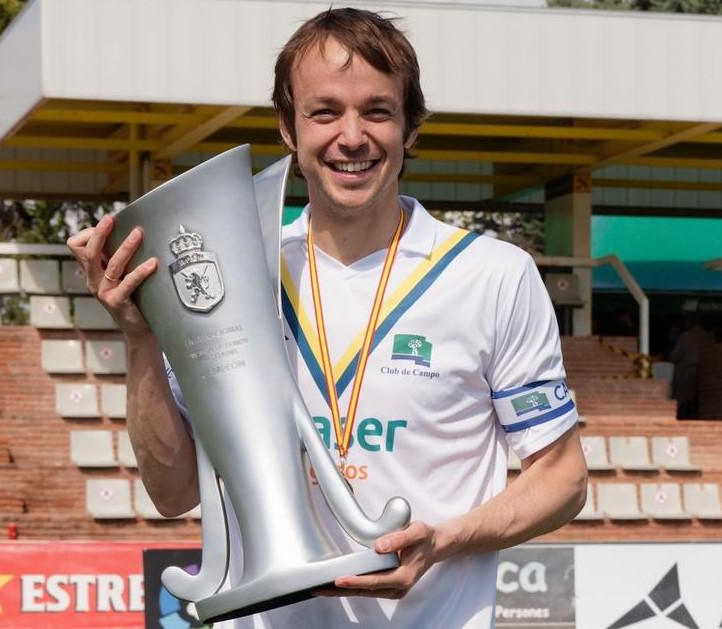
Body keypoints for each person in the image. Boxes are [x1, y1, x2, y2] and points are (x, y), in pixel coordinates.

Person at [67, 8, 587, 628]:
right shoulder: (233, 275)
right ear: (288, 128)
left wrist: (440, 543)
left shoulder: (493, 275)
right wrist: (138, 340)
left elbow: (562, 479)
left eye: (376, 110)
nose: (352, 136)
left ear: (410, 127)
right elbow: (172, 491)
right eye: (324, 112)